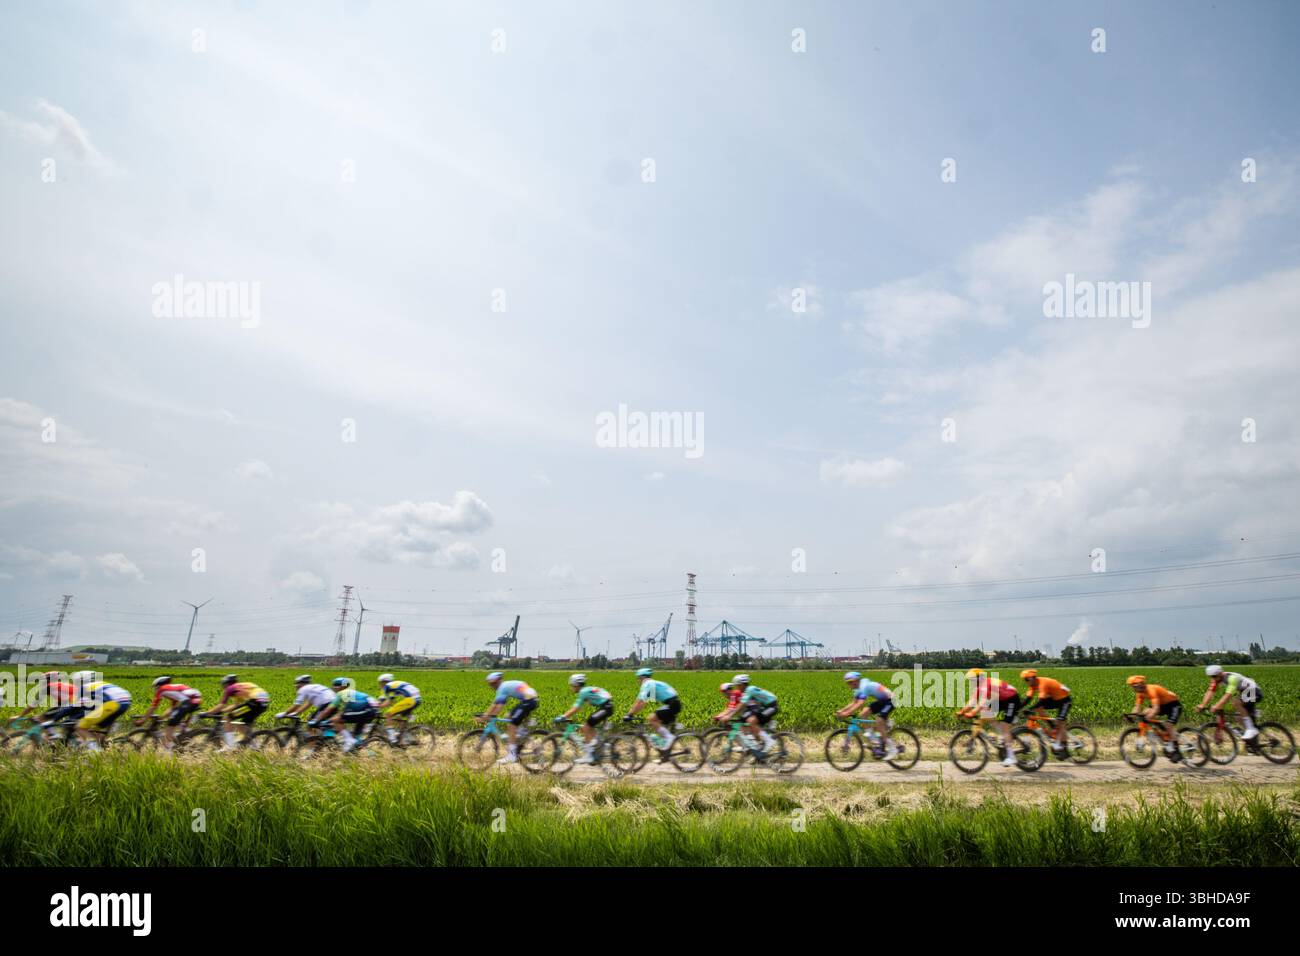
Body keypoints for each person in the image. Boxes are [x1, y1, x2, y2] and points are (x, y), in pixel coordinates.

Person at [959, 668, 1020, 766]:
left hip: (1012, 699)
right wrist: (961, 712)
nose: (971, 682)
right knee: (985, 713)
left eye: (972, 680)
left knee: (1004, 726)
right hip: (1002, 699)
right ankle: (1001, 734)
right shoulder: (980, 687)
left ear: (979, 678)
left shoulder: (986, 684)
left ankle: (1011, 757)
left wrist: (972, 713)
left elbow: (982, 702)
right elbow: (972, 702)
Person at [835, 671, 899, 758]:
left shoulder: (863, 686)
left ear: (856, 681)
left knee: (879, 721)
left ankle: (892, 749)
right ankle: (874, 737)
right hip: (882, 701)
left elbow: (860, 703)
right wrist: (842, 710)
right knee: (863, 714)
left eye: (850, 682)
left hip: (891, 700)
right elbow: (854, 702)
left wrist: (846, 713)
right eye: (847, 683)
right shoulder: (857, 688)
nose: (849, 685)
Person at [479, 672, 539, 764]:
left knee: (512, 725)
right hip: (529, 700)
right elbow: (496, 704)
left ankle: (512, 756)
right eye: (490, 684)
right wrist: (488, 715)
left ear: (498, 681)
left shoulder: (502, 687)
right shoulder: (504, 686)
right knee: (509, 716)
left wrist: (488, 716)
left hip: (529, 701)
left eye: (493, 683)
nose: (492, 686)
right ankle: (521, 736)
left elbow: (498, 706)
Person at [554, 674, 614, 764]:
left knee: (586, 727)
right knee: (586, 728)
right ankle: (599, 746)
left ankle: (589, 756)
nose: (571, 687)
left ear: (576, 684)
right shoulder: (586, 690)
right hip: (606, 707)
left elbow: (576, 708)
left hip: (606, 708)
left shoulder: (583, 692)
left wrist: (564, 716)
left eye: (571, 685)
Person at [714, 674, 778, 754]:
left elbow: (740, 705)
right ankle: (757, 746)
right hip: (763, 707)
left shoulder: (748, 690)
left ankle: (769, 741)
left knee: (750, 721)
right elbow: (732, 708)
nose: (736, 688)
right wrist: (724, 715)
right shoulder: (747, 690)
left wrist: (728, 716)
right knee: (747, 724)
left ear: (741, 685)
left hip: (771, 706)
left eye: (737, 686)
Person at [313, 677, 379, 753]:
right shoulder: (353, 693)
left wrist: (317, 720)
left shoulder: (341, 693)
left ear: (342, 686)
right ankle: (368, 753)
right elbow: (345, 711)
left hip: (363, 708)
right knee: (356, 736)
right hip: (371, 710)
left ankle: (349, 740)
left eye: (336, 685)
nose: (334, 687)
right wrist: (329, 720)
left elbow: (328, 710)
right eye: (334, 685)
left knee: (336, 720)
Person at [70, 671, 133, 751]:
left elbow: (73, 706)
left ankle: (96, 752)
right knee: (97, 729)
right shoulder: (100, 684)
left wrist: (56, 717)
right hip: (125, 702)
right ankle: (103, 746)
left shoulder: (85, 687)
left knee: (80, 727)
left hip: (113, 704)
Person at [205, 674, 270, 750]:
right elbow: (235, 705)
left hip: (254, 702)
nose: (224, 687)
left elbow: (221, 705)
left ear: (228, 683)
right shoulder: (241, 687)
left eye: (224, 685)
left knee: (228, 717)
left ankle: (230, 746)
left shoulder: (231, 688)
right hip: (263, 704)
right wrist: (222, 711)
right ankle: (254, 746)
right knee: (242, 725)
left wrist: (207, 713)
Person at [1196, 665, 1261, 740]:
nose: (1213, 678)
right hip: (1245, 692)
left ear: (1220, 673)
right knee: (1239, 717)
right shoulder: (1216, 679)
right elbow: (1210, 692)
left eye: (1214, 676)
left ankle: (1251, 729)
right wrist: (1202, 705)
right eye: (1211, 676)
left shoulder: (1232, 678)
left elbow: (1228, 694)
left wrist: (1217, 706)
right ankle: (1252, 738)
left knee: (1236, 702)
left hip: (1254, 690)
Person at [624, 667, 681, 753]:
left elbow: (640, 702)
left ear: (642, 677)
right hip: (674, 703)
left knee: (652, 718)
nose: (638, 681)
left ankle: (670, 738)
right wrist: (634, 712)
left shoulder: (647, 684)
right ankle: (664, 750)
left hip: (672, 704)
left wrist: (629, 714)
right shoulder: (652, 683)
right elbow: (644, 703)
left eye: (638, 679)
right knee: (656, 721)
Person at [1127, 675, 1182, 758]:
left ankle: (1176, 750)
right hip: (1161, 705)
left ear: (1140, 684)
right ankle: (1163, 734)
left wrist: (1147, 718)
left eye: (1134, 686)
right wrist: (1131, 716)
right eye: (1132, 687)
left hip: (1173, 705)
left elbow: (1156, 708)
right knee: (1145, 712)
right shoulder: (1140, 693)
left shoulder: (1151, 689)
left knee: (1168, 725)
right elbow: (1137, 707)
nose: (1133, 689)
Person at [140, 676, 203, 749]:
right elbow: (172, 709)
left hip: (189, 701)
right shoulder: (174, 692)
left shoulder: (161, 689)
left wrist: (142, 720)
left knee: (169, 727)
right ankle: (185, 736)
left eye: (155, 687)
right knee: (176, 721)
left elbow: (153, 707)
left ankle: (172, 752)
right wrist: (160, 718)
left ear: (159, 685)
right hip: (195, 699)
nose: (155, 690)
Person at [1019, 669, 1072, 754]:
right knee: (1038, 708)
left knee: (1061, 721)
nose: (1025, 681)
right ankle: (1052, 725)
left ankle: (1064, 748)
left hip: (1065, 700)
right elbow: (1028, 699)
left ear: (1032, 678)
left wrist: (1029, 709)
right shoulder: (1032, 685)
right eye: (1024, 679)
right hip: (1056, 699)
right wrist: (1018, 708)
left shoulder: (1042, 683)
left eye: (1026, 679)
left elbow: (1041, 701)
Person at [277, 674, 336, 742]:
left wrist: (284, 713)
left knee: (312, 723)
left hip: (326, 705)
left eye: (297, 683)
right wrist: (296, 713)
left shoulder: (303, 689)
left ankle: (313, 748)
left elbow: (296, 705)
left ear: (301, 683)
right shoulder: (314, 687)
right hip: (334, 704)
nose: (296, 685)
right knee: (321, 724)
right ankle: (327, 739)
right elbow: (308, 704)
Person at [376, 673, 422, 744]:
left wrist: (376, 706)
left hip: (411, 699)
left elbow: (386, 701)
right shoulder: (393, 686)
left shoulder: (388, 686)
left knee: (388, 714)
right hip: (416, 699)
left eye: (380, 683)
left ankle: (392, 737)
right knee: (398, 717)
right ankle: (404, 737)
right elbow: (391, 702)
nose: (379, 685)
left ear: (384, 682)